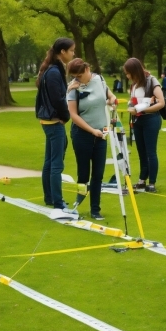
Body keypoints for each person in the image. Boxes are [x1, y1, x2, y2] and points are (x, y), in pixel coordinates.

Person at [67, 58, 117, 220]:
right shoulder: (73, 88)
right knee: (83, 174)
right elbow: (73, 115)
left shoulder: (100, 80)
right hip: (82, 134)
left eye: (81, 75)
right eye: (76, 76)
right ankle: (78, 203)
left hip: (101, 134)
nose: (78, 79)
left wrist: (112, 102)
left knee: (98, 174)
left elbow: (110, 97)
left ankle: (95, 209)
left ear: (88, 68)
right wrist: (91, 130)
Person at [35, 37, 75, 209]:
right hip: (53, 122)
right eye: (72, 50)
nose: (73, 54)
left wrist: (68, 90)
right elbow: (57, 100)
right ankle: (57, 201)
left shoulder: (53, 70)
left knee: (50, 162)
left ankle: (50, 198)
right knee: (56, 164)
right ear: (63, 52)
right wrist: (66, 116)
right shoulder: (53, 72)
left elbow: (58, 94)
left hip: (49, 121)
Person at [124, 58, 165, 192]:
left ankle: (152, 182)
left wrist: (142, 109)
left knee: (150, 152)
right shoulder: (134, 85)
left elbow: (161, 102)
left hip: (151, 119)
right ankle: (142, 180)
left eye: (128, 73)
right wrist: (131, 106)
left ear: (135, 71)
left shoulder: (152, 81)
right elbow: (133, 101)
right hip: (138, 120)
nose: (127, 76)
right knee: (141, 151)